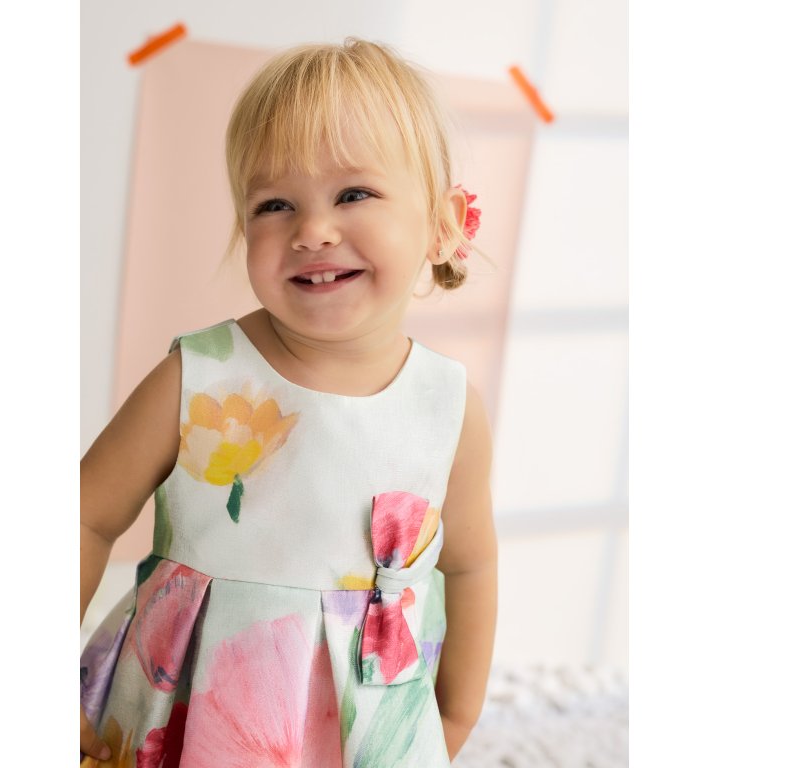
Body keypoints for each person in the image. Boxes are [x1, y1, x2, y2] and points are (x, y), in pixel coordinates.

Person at [80, 38, 498, 767]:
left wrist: (457, 710)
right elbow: (86, 513)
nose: (311, 232)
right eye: (275, 205)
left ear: (444, 225)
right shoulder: (201, 377)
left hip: (362, 732)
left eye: (354, 194)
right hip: (182, 721)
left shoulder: (446, 407)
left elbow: (468, 566)